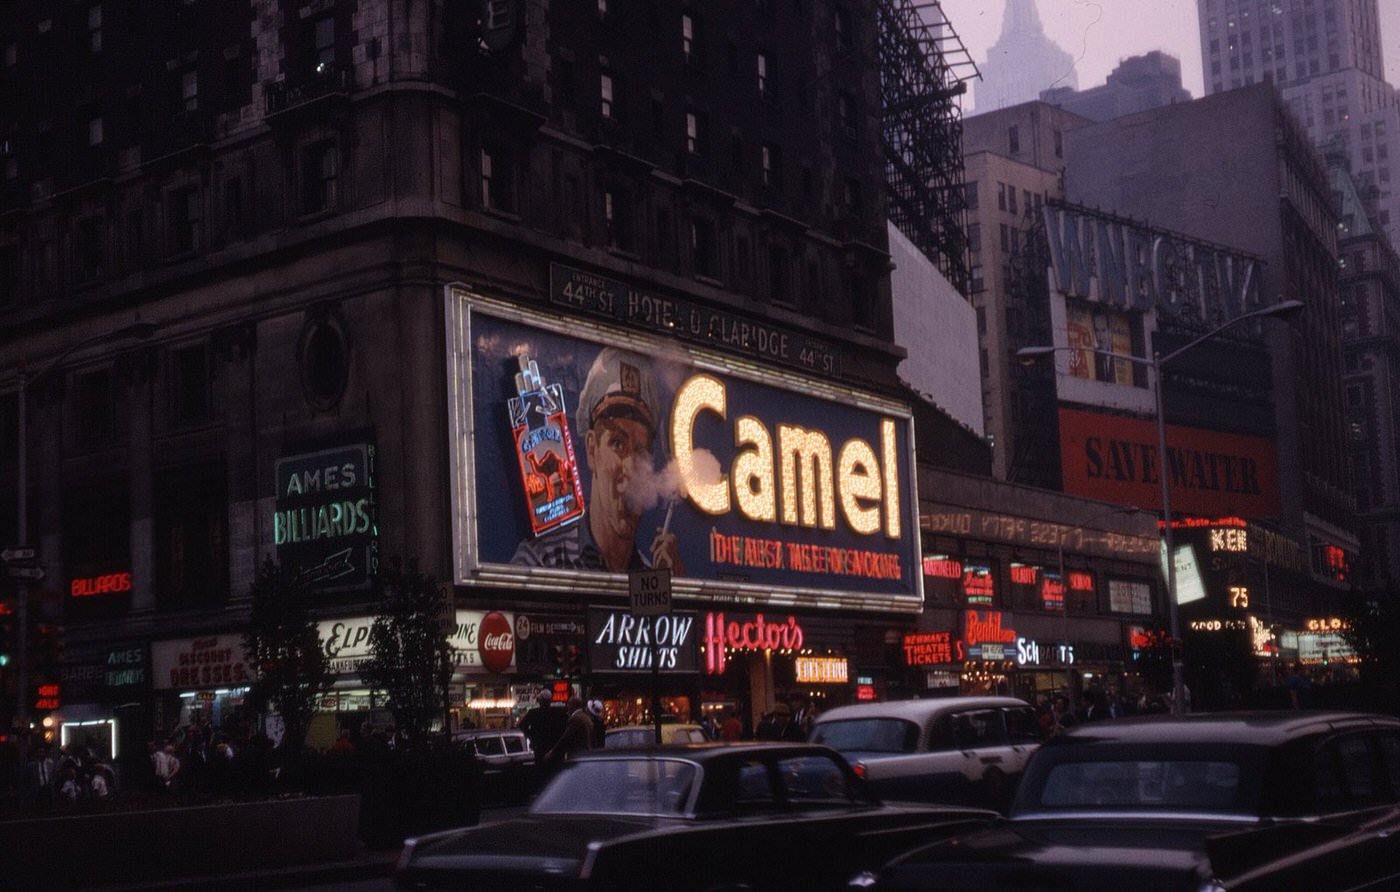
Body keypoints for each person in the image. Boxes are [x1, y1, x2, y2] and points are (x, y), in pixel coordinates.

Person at [513, 348, 684, 574]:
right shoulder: (540, 561)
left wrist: (677, 589)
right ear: (592, 449)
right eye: (618, 444)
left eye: (642, 452)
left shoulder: (647, 573)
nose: (631, 469)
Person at [519, 689, 567, 766]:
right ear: (550, 700)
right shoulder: (558, 713)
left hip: (539, 748)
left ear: (540, 701)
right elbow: (564, 729)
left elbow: (522, 725)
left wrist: (531, 737)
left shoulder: (533, 713)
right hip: (555, 748)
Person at [545, 697, 595, 765]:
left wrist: (552, 752)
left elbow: (565, 737)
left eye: (568, 705)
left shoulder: (575, 719)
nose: (567, 707)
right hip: (586, 753)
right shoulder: (586, 717)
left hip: (577, 754)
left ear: (573, 705)